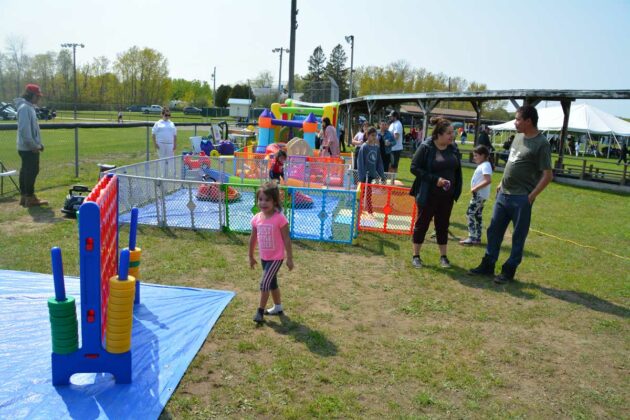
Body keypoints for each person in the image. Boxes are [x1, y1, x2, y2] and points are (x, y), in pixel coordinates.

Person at [469, 105, 553, 283]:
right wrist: (501, 182)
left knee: (518, 235)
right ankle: (488, 264)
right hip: (503, 194)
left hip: (521, 198)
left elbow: (547, 175)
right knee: (494, 230)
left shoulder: (542, 144)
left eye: (517, 119)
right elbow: (512, 163)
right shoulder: (518, 137)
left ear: (528, 121)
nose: (515, 122)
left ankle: (509, 270)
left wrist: (531, 196)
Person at [409, 117, 463, 269]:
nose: (452, 136)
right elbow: (414, 168)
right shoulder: (426, 147)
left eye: (452, 133)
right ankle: (416, 256)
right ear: (439, 134)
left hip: (447, 196)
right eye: (449, 133)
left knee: (443, 225)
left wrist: (455, 188)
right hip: (428, 194)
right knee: (422, 224)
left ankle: (443, 257)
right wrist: (434, 179)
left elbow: (457, 169)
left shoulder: (453, 148)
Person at [249, 182, 294, 323]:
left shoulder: (280, 219)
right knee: (272, 283)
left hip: (276, 258)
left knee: (265, 283)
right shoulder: (256, 218)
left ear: (275, 201)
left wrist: (290, 258)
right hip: (264, 257)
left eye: (267, 200)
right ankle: (278, 307)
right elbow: (253, 238)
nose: (263, 203)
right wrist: (250, 256)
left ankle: (260, 312)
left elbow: (287, 239)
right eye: (260, 199)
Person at [15, 84, 48, 207]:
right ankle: (29, 197)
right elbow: (25, 130)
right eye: (37, 96)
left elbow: (30, 130)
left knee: (26, 171)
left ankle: (24, 197)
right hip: (28, 147)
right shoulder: (25, 108)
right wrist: (33, 145)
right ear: (30, 95)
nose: (38, 98)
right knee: (31, 171)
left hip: (27, 146)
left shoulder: (27, 107)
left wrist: (38, 144)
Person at [460, 145, 493, 245]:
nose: (474, 158)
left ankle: (472, 237)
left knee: (469, 213)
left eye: (476, 155)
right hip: (479, 195)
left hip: (479, 195)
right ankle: (477, 238)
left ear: (483, 155)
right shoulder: (483, 165)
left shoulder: (486, 165)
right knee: (477, 215)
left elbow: (488, 180)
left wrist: (475, 188)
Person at [152, 107, 177, 176]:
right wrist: (155, 144)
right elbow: (153, 134)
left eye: (169, 115)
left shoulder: (172, 123)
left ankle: (173, 174)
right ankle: (163, 174)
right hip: (161, 144)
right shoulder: (158, 123)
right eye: (166, 115)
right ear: (162, 115)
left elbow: (175, 135)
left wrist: (175, 144)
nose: (167, 117)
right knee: (162, 159)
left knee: (171, 159)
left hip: (170, 144)